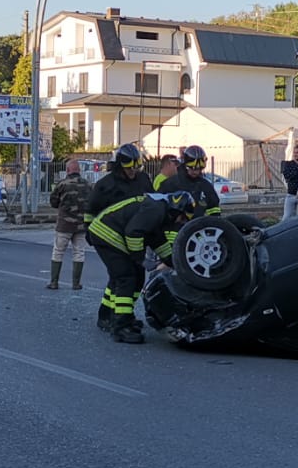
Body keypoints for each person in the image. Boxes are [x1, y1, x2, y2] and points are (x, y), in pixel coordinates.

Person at [88, 190, 196, 344]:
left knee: (133, 277)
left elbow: (157, 239)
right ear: (177, 208)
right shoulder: (157, 209)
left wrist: (173, 261)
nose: (181, 222)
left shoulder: (161, 212)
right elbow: (133, 232)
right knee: (126, 277)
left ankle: (109, 316)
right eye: (182, 217)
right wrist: (139, 259)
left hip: (110, 232)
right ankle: (121, 327)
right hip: (107, 233)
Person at [83, 144, 153, 331]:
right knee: (123, 276)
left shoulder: (143, 180)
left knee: (136, 277)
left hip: (135, 237)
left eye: (135, 168)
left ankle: (118, 313)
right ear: (119, 165)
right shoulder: (106, 185)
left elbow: (151, 205)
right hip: (110, 236)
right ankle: (116, 317)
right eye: (129, 168)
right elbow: (90, 211)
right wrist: (89, 232)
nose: (132, 171)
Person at [46, 158, 89, 291]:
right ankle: (76, 284)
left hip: (64, 224)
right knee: (79, 252)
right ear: (79, 170)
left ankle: (54, 282)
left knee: (58, 252)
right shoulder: (88, 185)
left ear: (68, 170)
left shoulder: (62, 184)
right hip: (81, 225)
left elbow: (53, 202)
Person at [279, 143, 298, 221]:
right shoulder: (288, 164)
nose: (295, 154)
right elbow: (287, 176)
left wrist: (297, 173)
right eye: (294, 153)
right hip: (291, 195)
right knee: (286, 217)